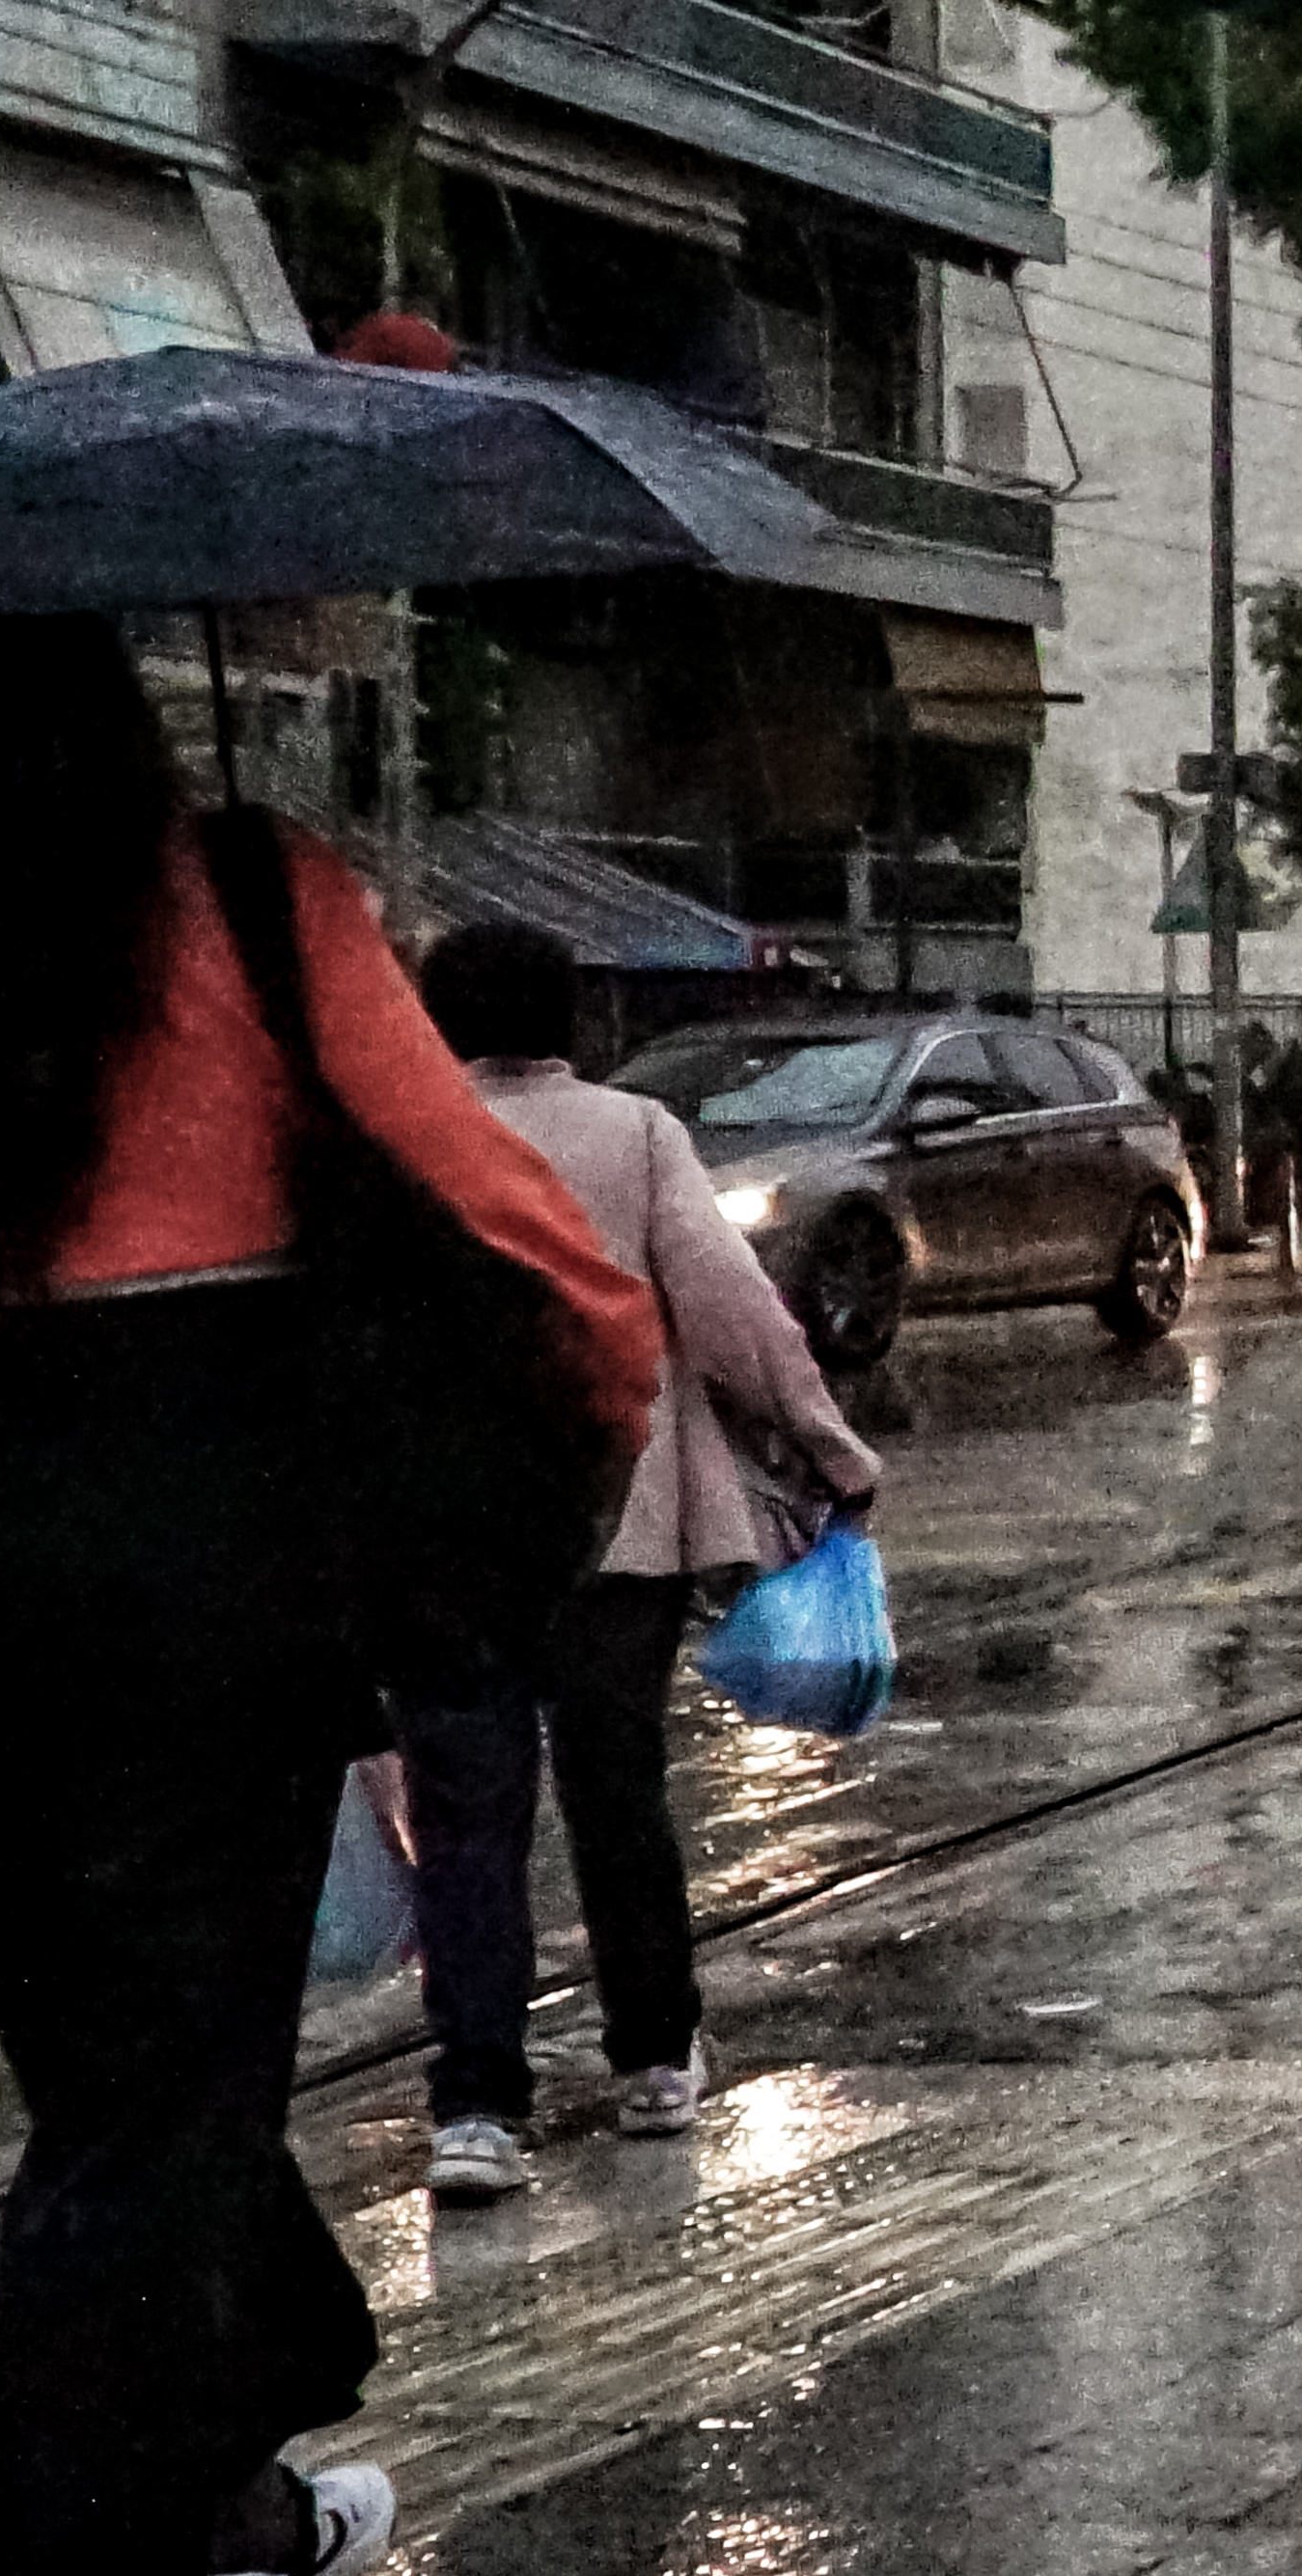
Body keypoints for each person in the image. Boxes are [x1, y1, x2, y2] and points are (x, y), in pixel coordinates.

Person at [0, 612, 654, 2576]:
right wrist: (552, 1483)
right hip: (197, 1556)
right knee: (151, 2109)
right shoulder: (263, 896)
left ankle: (250, 2533)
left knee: (127, 2080)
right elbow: (527, 1244)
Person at [402, 920, 880, 2200]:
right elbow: (732, 1314)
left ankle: (477, 2108)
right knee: (618, 1797)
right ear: (574, 1021)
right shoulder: (635, 1136)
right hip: (618, 1526)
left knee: (468, 1819)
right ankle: (655, 2058)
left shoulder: (395, 1138)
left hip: (442, 1542)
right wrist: (830, 1448)